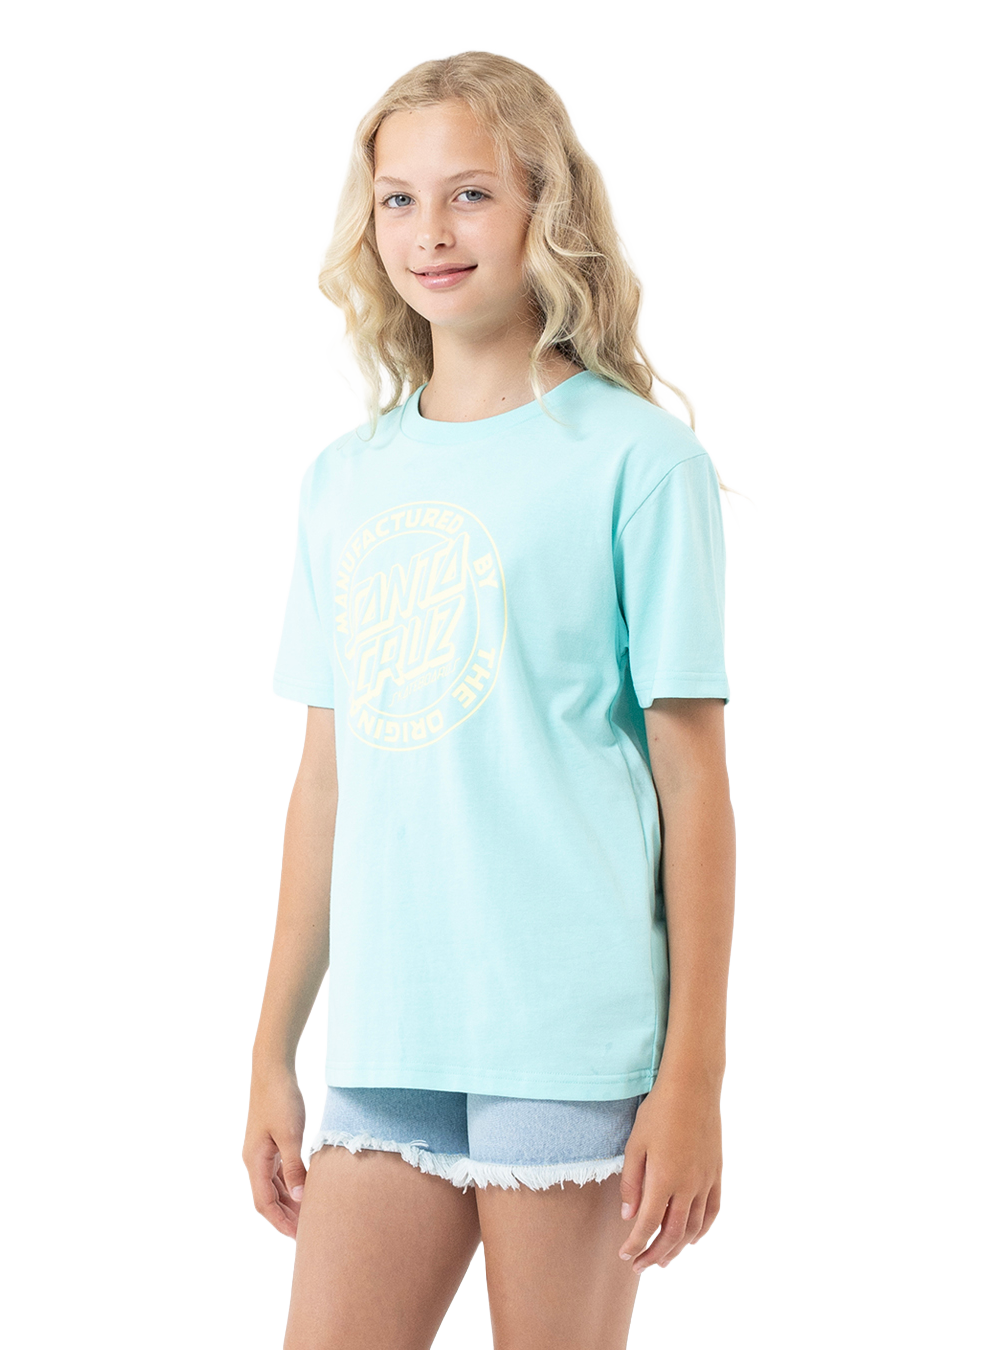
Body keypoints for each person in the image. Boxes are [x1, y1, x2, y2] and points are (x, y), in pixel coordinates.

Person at [243, 49, 741, 1350]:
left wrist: (693, 1075)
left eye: (469, 192)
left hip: (569, 1032)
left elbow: (693, 784)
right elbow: (325, 785)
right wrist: (272, 1050)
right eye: (397, 199)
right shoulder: (343, 480)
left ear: (543, 207)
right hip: (391, 1034)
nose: (431, 232)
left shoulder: (639, 461)